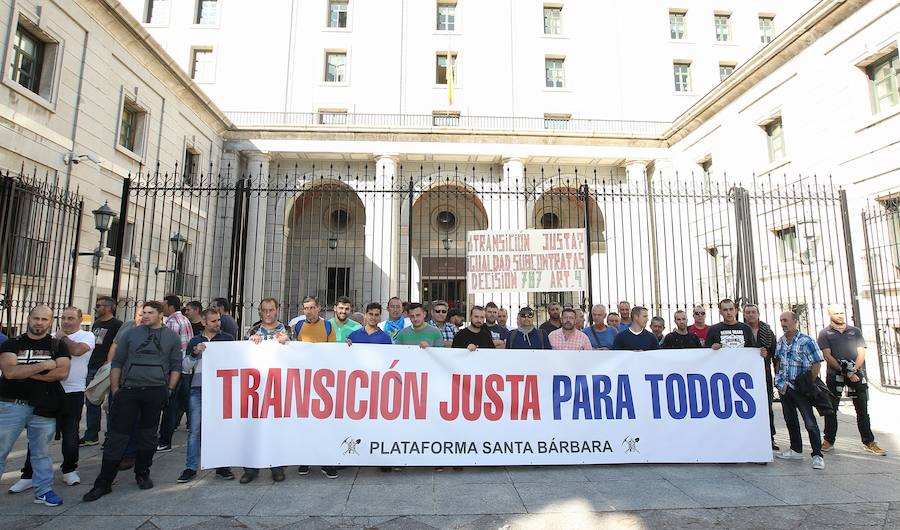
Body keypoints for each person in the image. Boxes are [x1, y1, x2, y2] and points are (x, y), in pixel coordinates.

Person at [82, 301, 182, 501]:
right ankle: (104, 481)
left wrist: (169, 389)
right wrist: (115, 388)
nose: (145, 316)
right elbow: (117, 362)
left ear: (160, 314)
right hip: (129, 390)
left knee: (148, 434)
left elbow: (175, 365)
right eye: (143, 312)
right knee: (117, 436)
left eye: (150, 312)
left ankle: (142, 472)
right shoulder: (130, 333)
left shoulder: (171, 337)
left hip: (155, 391)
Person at [0, 305, 71, 506]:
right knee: (1, 450)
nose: (39, 323)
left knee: (41, 452)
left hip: (44, 406)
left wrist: (23, 370)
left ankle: (43, 490)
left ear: (50, 322)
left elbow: (61, 373)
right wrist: (45, 365)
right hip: (11, 404)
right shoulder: (11, 344)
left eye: (44, 319)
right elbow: (9, 373)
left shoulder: (58, 346)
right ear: (29, 318)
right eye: (36, 318)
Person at [818, 304, 885, 456]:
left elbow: (861, 352)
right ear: (830, 315)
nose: (840, 315)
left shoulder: (855, 331)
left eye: (842, 312)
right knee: (831, 409)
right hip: (835, 375)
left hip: (855, 373)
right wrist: (845, 372)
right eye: (836, 313)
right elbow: (827, 355)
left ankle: (869, 441)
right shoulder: (825, 333)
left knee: (862, 409)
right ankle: (829, 439)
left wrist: (853, 370)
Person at [177, 308, 235, 483]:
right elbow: (185, 367)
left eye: (218, 320)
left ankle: (222, 465)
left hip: (220, 389)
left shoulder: (227, 339)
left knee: (221, 428)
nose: (218, 323)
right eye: (213, 321)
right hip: (199, 388)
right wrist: (195, 353)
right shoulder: (195, 340)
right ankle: (190, 467)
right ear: (204, 323)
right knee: (195, 430)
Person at [241, 298, 290, 484]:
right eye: (264, 310)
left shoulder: (287, 331)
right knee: (253, 429)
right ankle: (250, 469)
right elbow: (240, 354)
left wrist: (289, 343)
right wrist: (250, 343)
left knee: (277, 430)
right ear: (260, 312)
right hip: (256, 388)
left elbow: (299, 354)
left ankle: (277, 467)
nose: (268, 314)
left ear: (277, 310)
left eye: (271, 310)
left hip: (279, 388)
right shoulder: (253, 331)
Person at [293, 296, 339, 479]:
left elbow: (334, 352)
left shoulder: (328, 327)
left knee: (325, 424)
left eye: (312, 307)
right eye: (306, 308)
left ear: (319, 308)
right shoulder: (297, 327)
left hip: (324, 382)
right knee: (305, 422)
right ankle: (305, 459)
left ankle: (326, 462)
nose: (309, 311)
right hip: (304, 382)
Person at [773, 311, 826, 470]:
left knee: (809, 421)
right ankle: (796, 449)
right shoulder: (781, 341)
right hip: (785, 387)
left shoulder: (806, 340)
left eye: (786, 320)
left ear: (795, 321)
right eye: (781, 320)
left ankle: (817, 454)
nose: (783, 323)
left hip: (801, 387)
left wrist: (809, 382)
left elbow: (817, 362)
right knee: (790, 420)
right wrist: (778, 379)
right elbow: (778, 361)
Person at [82, 296, 122, 447]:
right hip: (92, 365)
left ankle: (110, 435)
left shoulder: (117, 324)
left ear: (108, 308)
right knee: (92, 399)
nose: (96, 308)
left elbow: (117, 344)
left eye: (98, 306)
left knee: (110, 404)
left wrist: (110, 362)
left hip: (106, 368)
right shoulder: (97, 323)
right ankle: (91, 434)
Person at [157, 295, 194, 453]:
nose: (162, 308)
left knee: (171, 406)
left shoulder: (172, 321)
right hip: (185, 368)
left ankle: (165, 440)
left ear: (170, 306)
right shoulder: (185, 320)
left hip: (175, 369)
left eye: (164, 305)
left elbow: (168, 346)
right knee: (185, 404)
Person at [743, 303, 779, 451]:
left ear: (758, 313)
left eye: (753, 312)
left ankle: (769, 437)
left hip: (763, 373)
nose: (751, 314)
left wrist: (777, 374)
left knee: (767, 407)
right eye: (748, 312)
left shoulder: (767, 331)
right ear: (744, 315)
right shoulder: (741, 330)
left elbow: (775, 354)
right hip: (745, 375)